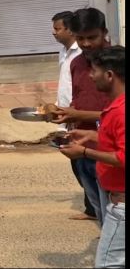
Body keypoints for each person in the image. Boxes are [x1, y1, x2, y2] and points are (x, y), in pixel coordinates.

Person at [59, 46, 124, 268]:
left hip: (122, 205)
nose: (90, 75)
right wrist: (91, 135)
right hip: (115, 198)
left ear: (109, 75)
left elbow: (123, 157)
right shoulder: (115, 106)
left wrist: (84, 152)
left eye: (94, 71)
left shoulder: (121, 111)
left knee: (108, 263)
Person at [51, 8, 112, 225]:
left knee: (114, 207)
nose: (86, 44)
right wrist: (66, 115)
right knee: (98, 205)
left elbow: (118, 113)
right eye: (81, 38)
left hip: (109, 145)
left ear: (104, 32)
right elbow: (79, 98)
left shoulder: (117, 62)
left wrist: (76, 113)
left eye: (92, 37)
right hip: (82, 141)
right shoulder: (76, 63)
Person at [51, 11, 94, 219]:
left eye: (57, 28)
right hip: (69, 114)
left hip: (83, 115)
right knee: (77, 163)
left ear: (70, 29)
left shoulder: (83, 54)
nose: (54, 33)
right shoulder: (65, 53)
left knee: (86, 162)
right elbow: (67, 86)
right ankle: (93, 207)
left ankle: (96, 207)